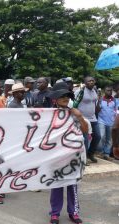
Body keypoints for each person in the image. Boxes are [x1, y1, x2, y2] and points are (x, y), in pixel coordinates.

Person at [48, 82, 88, 224]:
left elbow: (85, 130)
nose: (65, 98)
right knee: (57, 186)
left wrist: (80, 117)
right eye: (62, 96)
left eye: (67, 95)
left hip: (73, 158)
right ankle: (55, 214)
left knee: (72, 185)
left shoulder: (74, 112)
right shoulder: (48, 114)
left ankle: (74, 212)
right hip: (56, 157)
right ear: (55, 98)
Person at [74, 76, 100, 163]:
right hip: (83, 119)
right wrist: (78, 117)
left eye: (93, 80)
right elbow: (74, 105)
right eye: (89, 81)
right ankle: (83, 158)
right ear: (85, 83)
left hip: (93, 118)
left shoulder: (95, 91)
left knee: (97, 136)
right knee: (85, 139)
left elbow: (95, 104)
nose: (91, 82)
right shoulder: (80, 92)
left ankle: (90, 154)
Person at [96, 86, 116, 160]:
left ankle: (106, 153)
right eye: (108, 90)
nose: (109, 92)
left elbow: (116, 110)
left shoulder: (114, 100)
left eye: (110, 91)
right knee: (101, 136)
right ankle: (99, 151)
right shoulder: (101, 100)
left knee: (109, 139)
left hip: (111, 122)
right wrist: (98, 101)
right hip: (101, 121)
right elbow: (97, 110)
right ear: (104, 91)